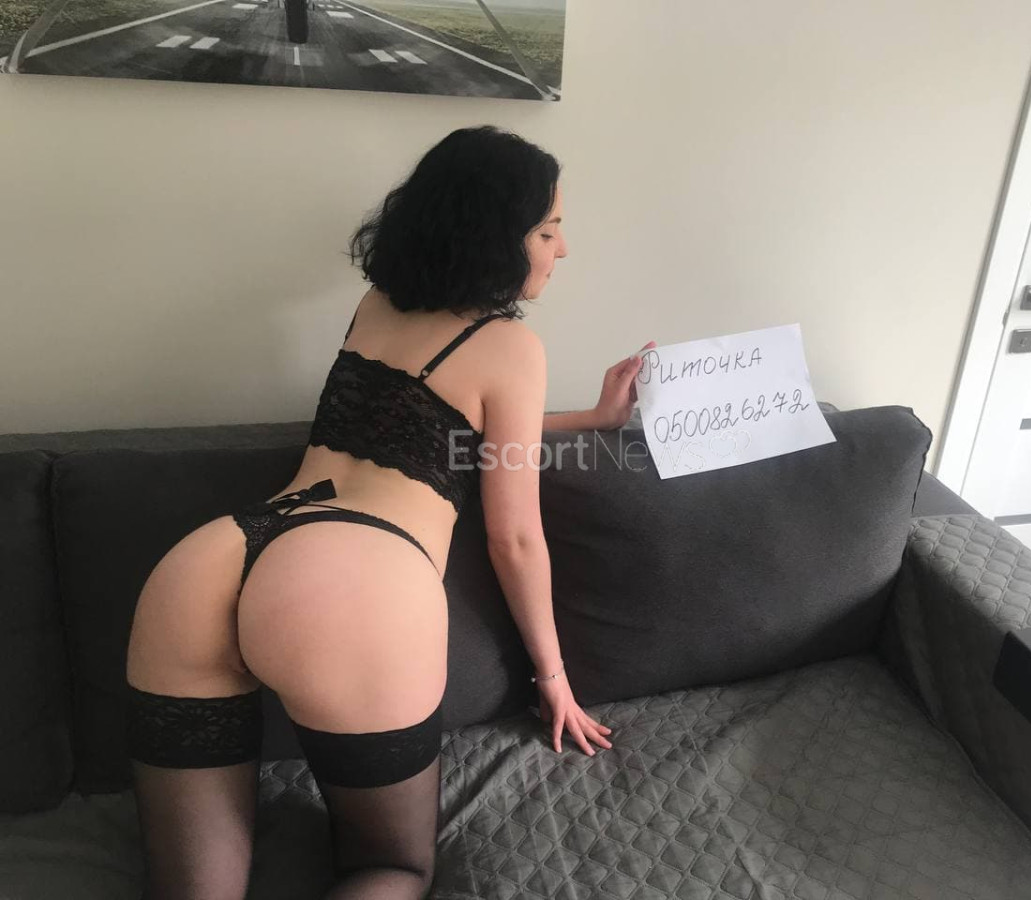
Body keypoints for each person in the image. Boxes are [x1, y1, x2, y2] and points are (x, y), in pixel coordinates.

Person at [123, 125, 655, 900]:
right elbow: (514, 538)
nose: (562, 249)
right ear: (496, 239)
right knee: (392, 867)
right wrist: (555, 677)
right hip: (348, 584)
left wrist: (592, 419)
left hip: (211, 561)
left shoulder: (375, 306)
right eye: (548, 231)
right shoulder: (510, 349)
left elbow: (439, 420)